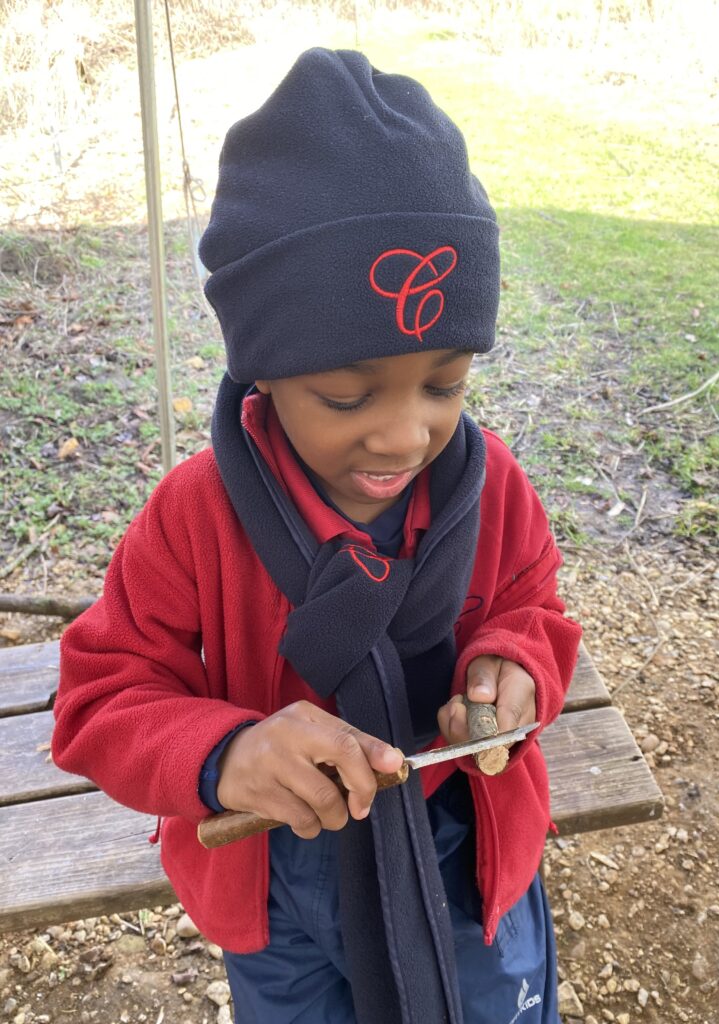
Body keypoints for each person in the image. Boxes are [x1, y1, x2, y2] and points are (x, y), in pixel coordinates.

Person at [52, 48, 582, 1024]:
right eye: (346, 394)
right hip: (277, 887)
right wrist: (226, 751)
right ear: (263, 369)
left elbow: (531, 605)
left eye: (445, 381)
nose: (405, 433)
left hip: (467, 863)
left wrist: (508, 666)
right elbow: (98, 698)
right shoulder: (196, 515)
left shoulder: (488, 482)